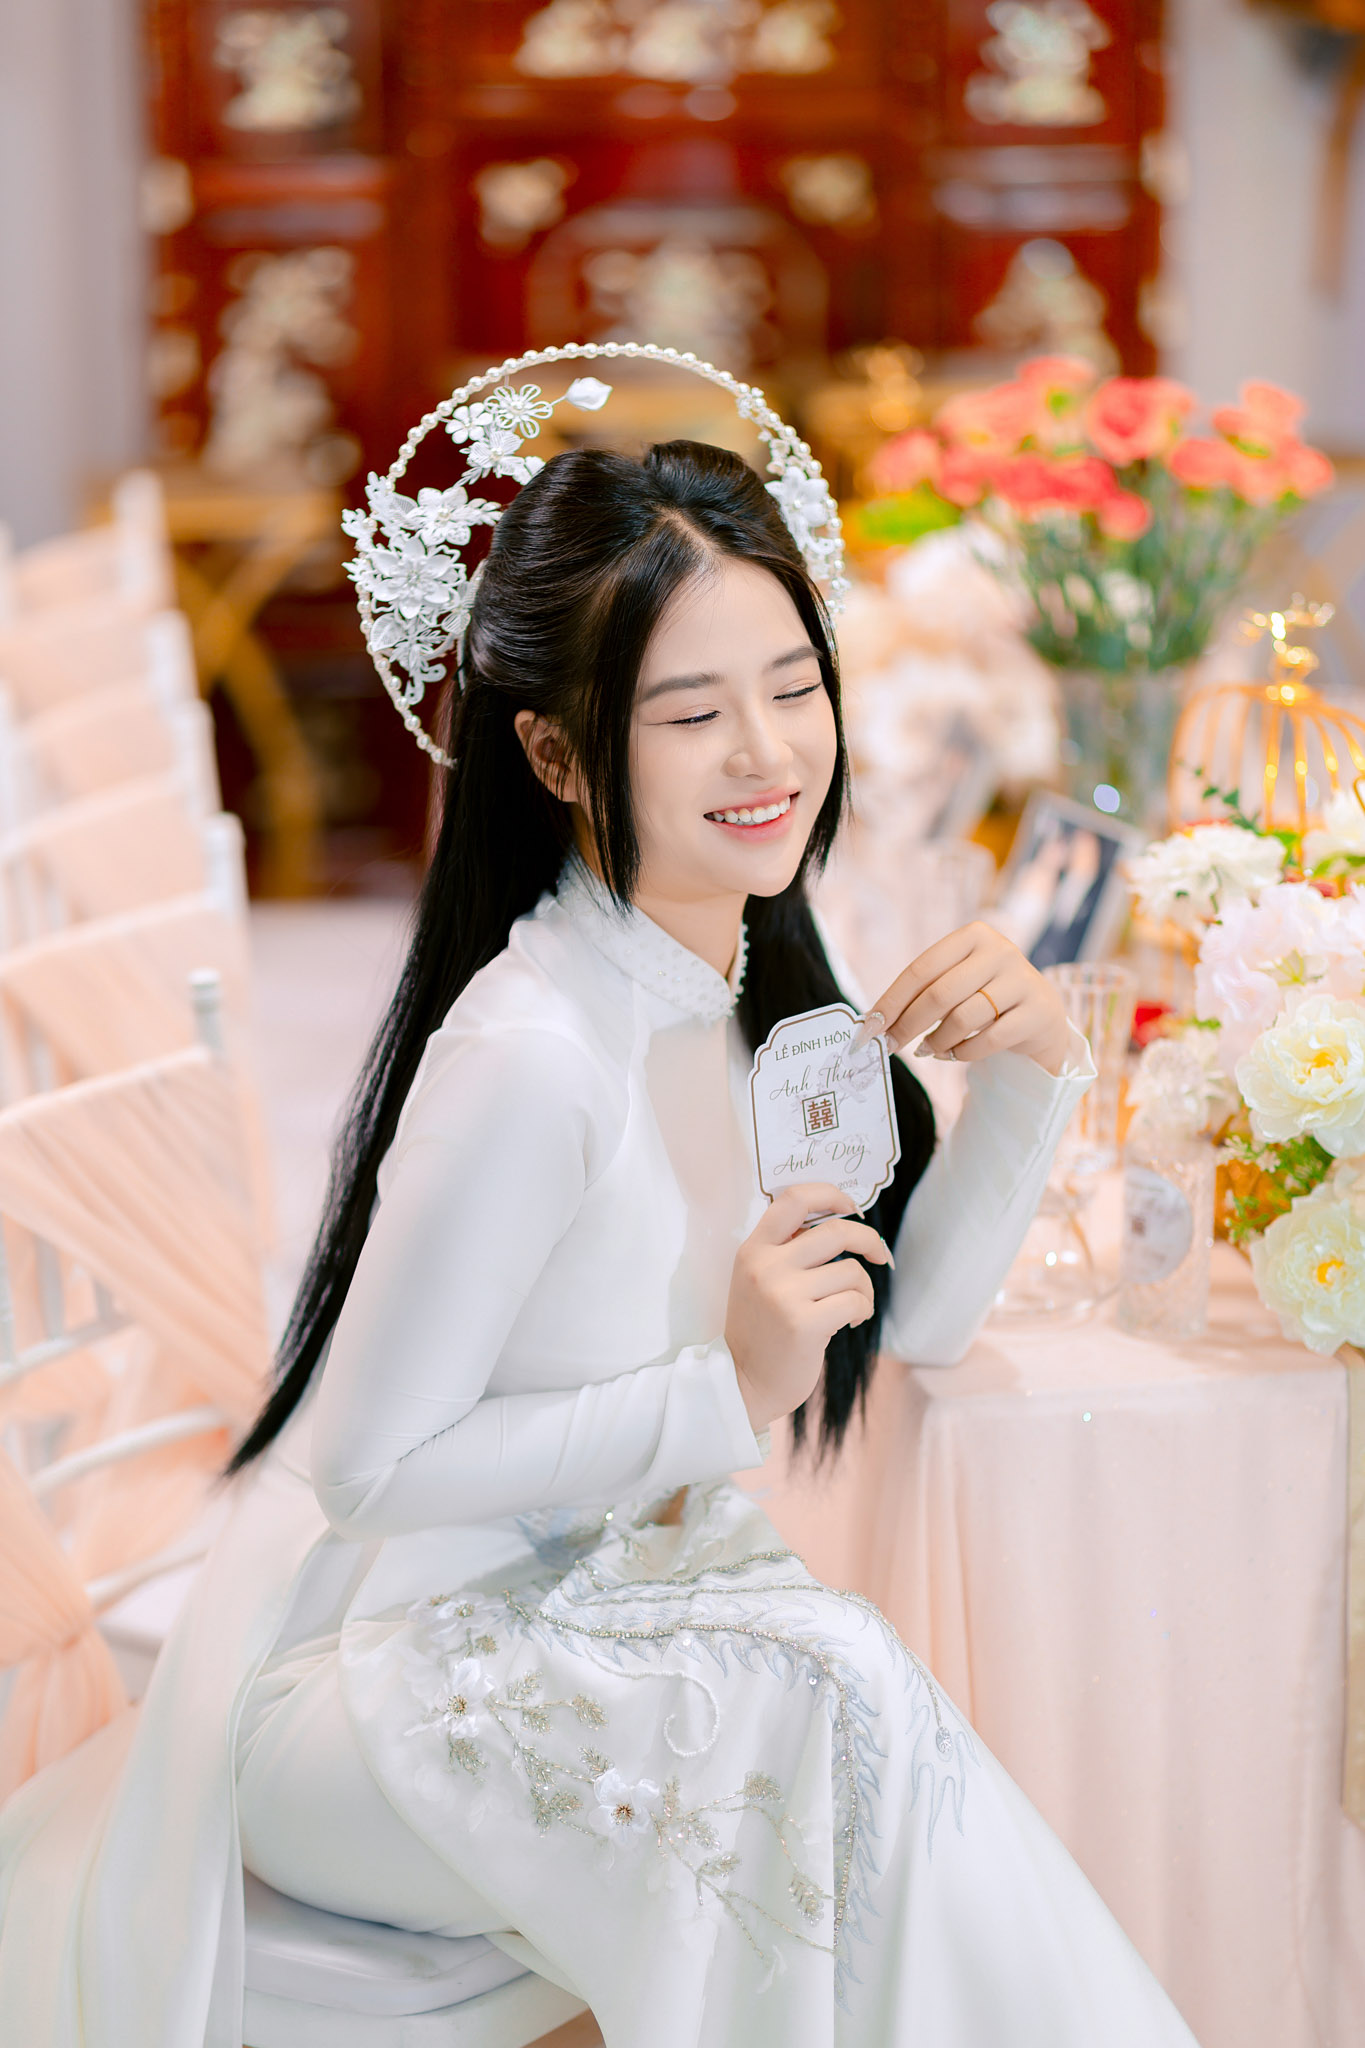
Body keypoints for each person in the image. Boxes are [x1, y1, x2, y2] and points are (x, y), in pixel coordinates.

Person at [0, 433, 1199, 2048]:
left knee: (829, 1694)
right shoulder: (532, 1052)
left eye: (794, 687)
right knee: (824, 1690)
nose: (765, 751)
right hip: (364, 1685)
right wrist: (725, 1388)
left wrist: (1037, 1070)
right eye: (691, 715)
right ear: (557, 756)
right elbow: (365, 1469)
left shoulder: (744, 987)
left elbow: (909, 1326)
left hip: (595, 1616)